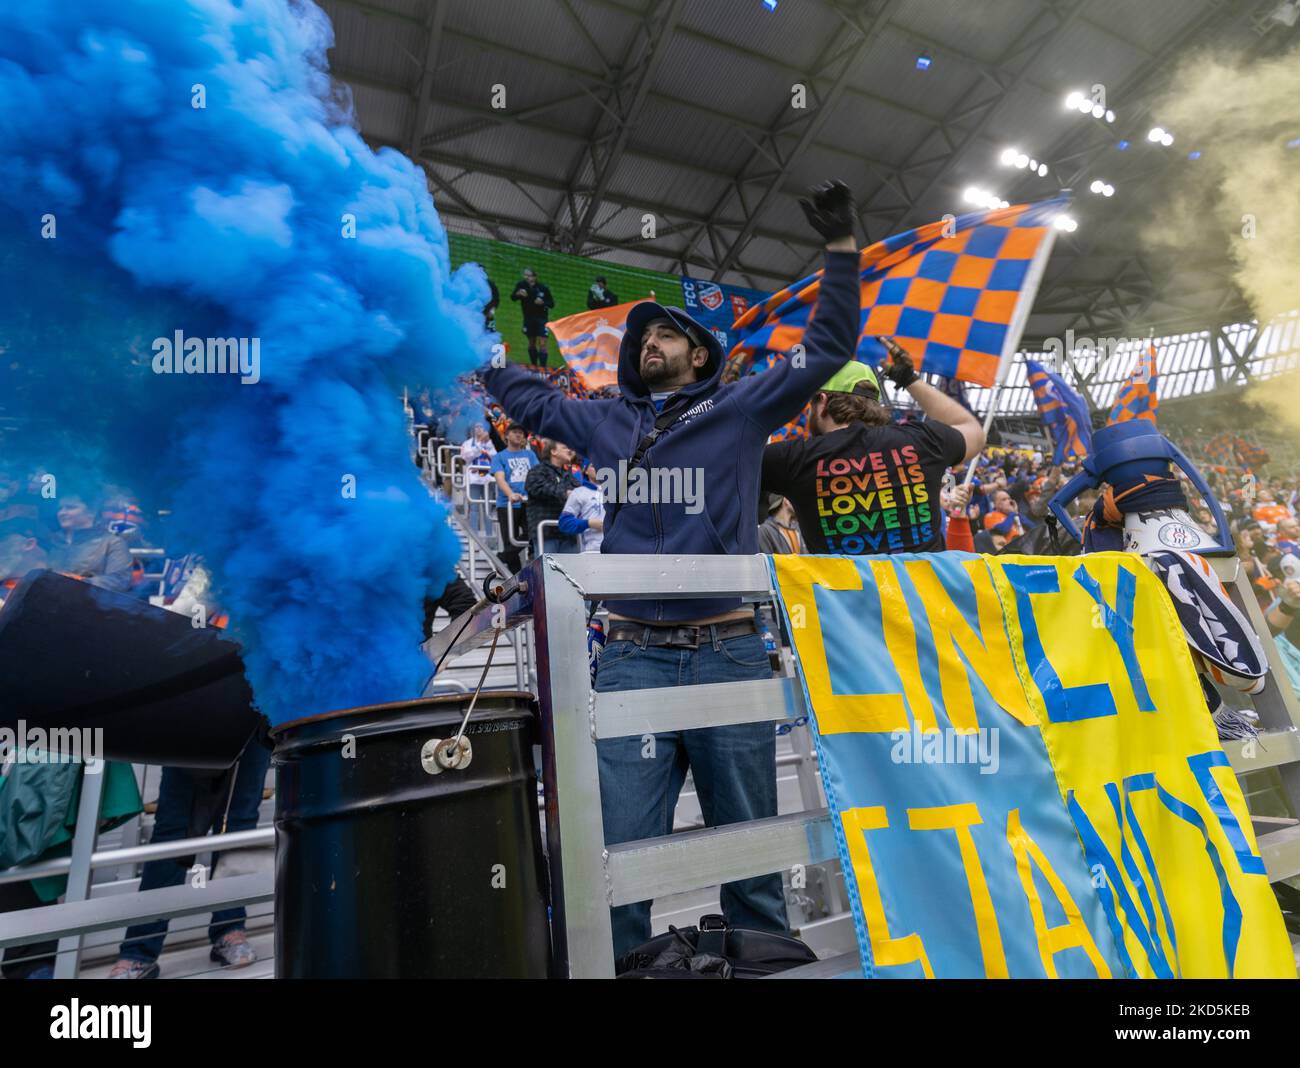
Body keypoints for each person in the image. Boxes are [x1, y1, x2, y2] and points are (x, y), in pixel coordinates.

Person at [481, 178, 862, 955]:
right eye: (641, 334)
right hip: (628, 658)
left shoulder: (743, 409)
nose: (648, 340)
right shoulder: (603, 421)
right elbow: (531, 404)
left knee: (752, 859)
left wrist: (842, 250)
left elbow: (827, 349)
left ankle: (762, 967)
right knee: (618, 857)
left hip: (728, 652)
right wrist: (477, 351)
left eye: (665, 333)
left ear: (699, 353)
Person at [760, 342, 985, 556]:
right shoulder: (923, 441)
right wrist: (909, 379)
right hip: (923, 595)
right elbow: (973, 431)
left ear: (822, 401)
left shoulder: (791, 458)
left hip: (843, 595)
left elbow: (733, 461)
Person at [108, 737, 273, 978]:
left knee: (239, 825)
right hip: (194, 717)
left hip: (254, 718)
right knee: (173, 831)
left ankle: (230, 929)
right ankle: (139, 951)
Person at [46, 495, 133, 593]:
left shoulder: (112, 542)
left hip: (89, 604)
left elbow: (119, 580)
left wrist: (80, 582)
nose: (62, 513)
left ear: (92, 512)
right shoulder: (51, 541)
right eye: (60, 509)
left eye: (70, 508)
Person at [488, 423, 538, 572]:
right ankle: (514, 576)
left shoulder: (530, 455)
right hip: (506, 504)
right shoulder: (500, 456)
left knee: (532, 533)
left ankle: (501, 557)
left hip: (528, 502)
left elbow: (536, 475)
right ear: (507, 435)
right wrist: (510, 494)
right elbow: (500, 478)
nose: (518, 435)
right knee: (510, 539)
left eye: (521, 433)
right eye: (515, 432)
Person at [523, 440, 579, 554]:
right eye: (564, 447)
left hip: (569, 533)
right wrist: (566, 493)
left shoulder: (569, 475)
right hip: (547, 533)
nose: (569, 450)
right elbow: (539, 488)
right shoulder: (537, 470)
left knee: (572, 571)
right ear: (553, 451)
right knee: (547, 570)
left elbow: (581, 492)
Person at [510, 268, 555, 368]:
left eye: (529, 275)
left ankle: (543, 368)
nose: (526, 277)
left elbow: (551, 304)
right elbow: (512, 297)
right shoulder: (521, 285)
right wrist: (518, 294)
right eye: (525, 275)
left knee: (543, 343)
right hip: (528, 318)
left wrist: (543, 302)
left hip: (542, 319)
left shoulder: (543, 288)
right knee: (532, 342)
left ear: (534, 277)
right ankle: (534, 366)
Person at [558, 460, 605, 553]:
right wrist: (588, 523)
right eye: (593, 466)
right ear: (585, 470)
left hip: (617, 551)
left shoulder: (618, 491)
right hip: (591, 551)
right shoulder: (578, 492)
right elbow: (564, 523)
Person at [459, 423, 497, 536]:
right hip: (474, 480)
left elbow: (495, 457)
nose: (479, 429)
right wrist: (480, 444)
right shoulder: (467, 443)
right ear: (473, 429)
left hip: (488, 480)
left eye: (482, 427)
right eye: (477, 427)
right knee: (474, 509)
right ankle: (474, 537)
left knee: (488, 510)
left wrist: (487, 444)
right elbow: (466, 456)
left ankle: (490, 537)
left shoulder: (491, 443)